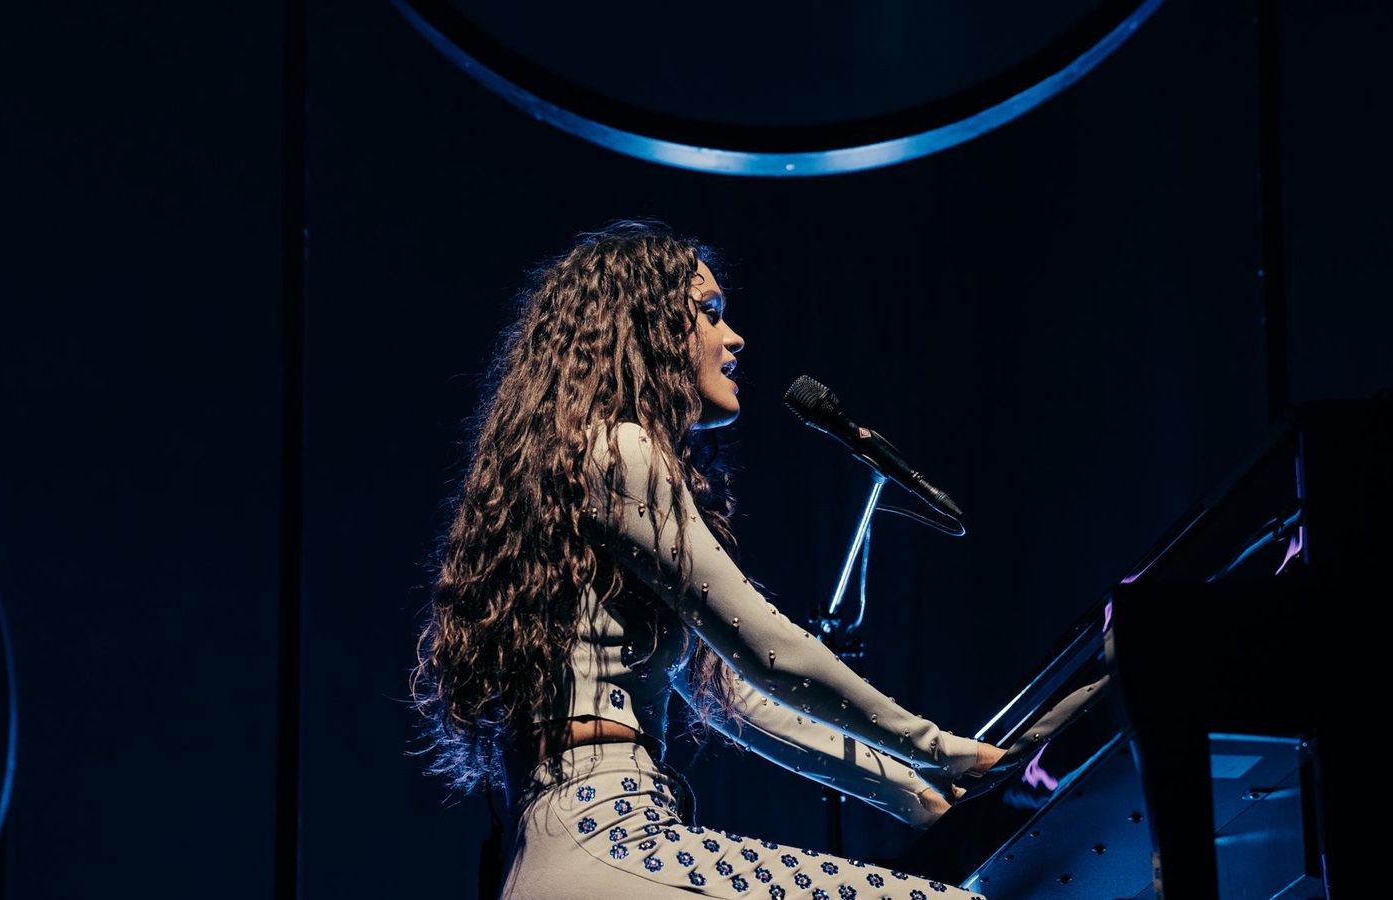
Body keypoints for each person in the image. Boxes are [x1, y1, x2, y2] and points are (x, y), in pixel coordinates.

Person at [412, 221, 1003, 900]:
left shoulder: (573, 466)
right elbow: (770, 650)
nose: (735, 337)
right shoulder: (621, 450)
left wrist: (914, 793)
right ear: (645, 328)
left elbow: (739, 703)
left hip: (550, 855)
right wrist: (948, 750)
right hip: (615, 837)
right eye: (710, 313)